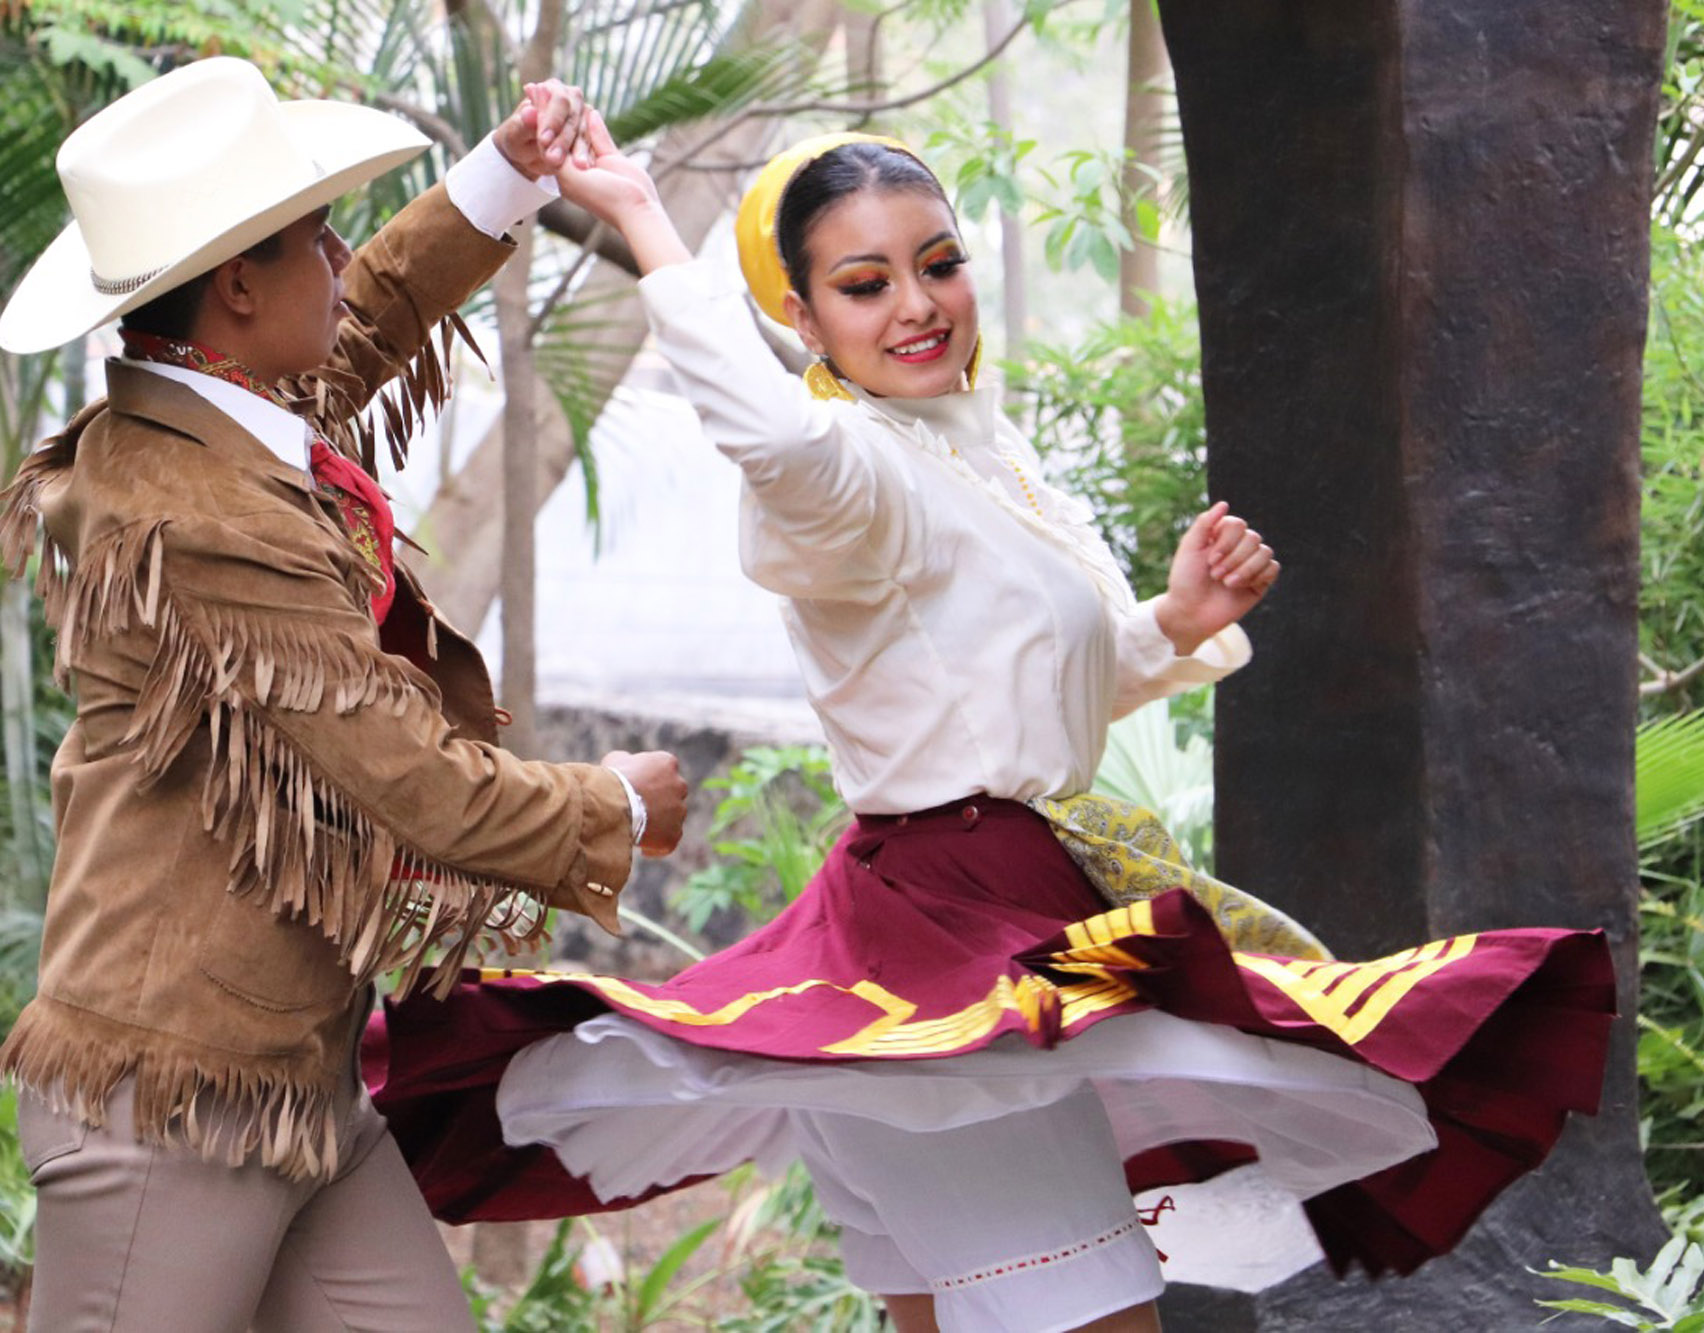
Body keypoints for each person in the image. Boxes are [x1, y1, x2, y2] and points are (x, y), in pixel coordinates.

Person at [369, 116, 1618, 1333]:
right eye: (863, 285)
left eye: (938, 263)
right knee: (1096, 1310)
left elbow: (1019, 699)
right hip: (943, 939)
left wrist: (1172, 621)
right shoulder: (847, 471)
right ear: (799, 322)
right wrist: (642, 215)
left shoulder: (978, 447)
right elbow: (767, 435)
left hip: (992, 913)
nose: (915, 304)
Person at [0, 58, 689, 1333]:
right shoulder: (191, 507)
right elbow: (406, 775)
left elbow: (359, 315)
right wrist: (612, 811)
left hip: (293, 1074)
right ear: (239, 289)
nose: (339, 252)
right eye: (315, 233)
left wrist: (504, 172)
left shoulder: (219, 405)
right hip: (170, 1097)